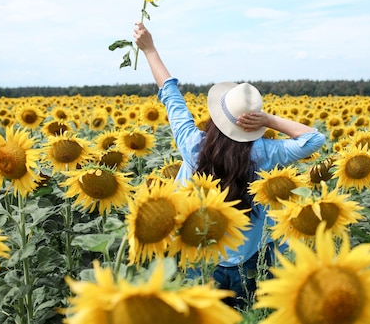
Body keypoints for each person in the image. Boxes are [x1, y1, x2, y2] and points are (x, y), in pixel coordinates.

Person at [133, 22, 326, 309]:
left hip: (199, 260)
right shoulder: (264, 153)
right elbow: (313, 139)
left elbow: (171, 95)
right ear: (253, 124)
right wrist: (270, 120)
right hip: (249, 264)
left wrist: (149, 50)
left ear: (215, 117)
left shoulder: (193, 145)